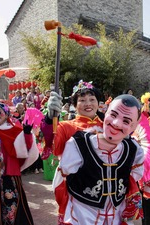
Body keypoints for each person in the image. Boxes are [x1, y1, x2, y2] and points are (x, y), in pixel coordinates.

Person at [59, 94, 144, 224]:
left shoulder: (134, 150)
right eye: (113, 115)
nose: (116, 123)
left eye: (126, 121)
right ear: (105, 112)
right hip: (82, 214)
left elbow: (134, 177)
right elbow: (62, 177)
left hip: (116, 214)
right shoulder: (78, 144)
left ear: (134, 126)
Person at [41, 80, 103, 221]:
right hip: (76, 186)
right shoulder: (65, 126)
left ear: (98, 103)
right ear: (74, 105)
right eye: (82, 100)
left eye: (92, 99)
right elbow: (53, 145)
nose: (88, 103)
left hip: (104, 185)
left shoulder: (108, 125)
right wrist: (50, 119)